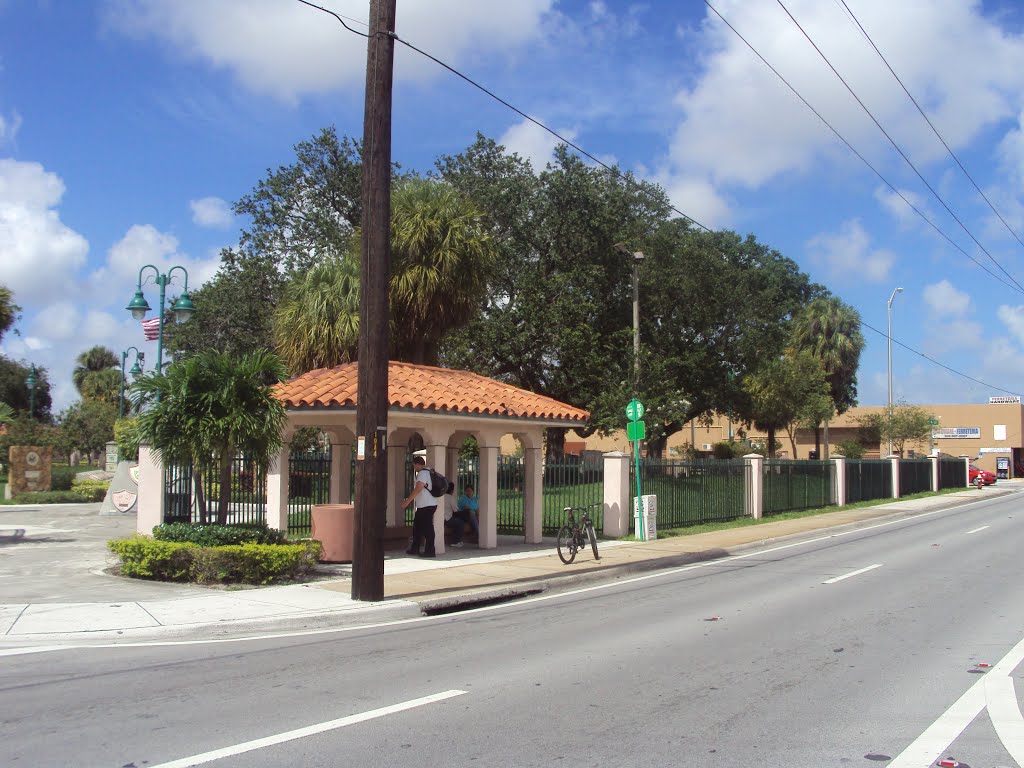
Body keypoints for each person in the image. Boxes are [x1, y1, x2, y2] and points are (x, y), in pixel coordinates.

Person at [401, 455, 436, 557]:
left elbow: (418, 488)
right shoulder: (429, 472)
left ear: (416, 464)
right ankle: (415, 548)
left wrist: (407, 501)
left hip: (426, 505)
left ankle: (430, 551)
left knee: (427, 528)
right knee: (417, 527)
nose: (414, 468)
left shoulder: (422, 473)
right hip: (428, 504)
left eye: (414, 465)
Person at [442, 481, 464, 547]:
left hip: (441, 519)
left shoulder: (441, 496)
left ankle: (455, 540)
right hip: (447, 519)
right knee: (460, 523)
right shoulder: (450, 498)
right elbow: (456, 510)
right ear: (452, 490)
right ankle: (455, 542)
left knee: (456, 521)